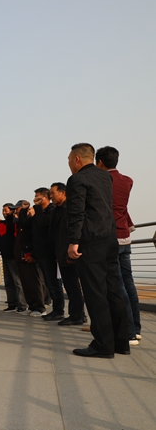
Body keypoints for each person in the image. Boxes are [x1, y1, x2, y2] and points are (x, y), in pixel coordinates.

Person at [67, 143, 129, 358]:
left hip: (91, 242)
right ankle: (121, 342)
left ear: (77, 159)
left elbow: (77, 212)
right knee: (113, 290)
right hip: (110, 239)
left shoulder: (77, 179)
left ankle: (103, 345)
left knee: (95, 293)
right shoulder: (105, 177)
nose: (68, 163)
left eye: (69, 159)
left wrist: (73, 241)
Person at [95, 146, 141, 346]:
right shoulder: (127, 180)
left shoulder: (103, 181)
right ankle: (136, 329)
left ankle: (128, 332)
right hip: (124, 236)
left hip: (109, 237)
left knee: (117, 286)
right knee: (128, 283)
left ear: (100, 162)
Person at [48, 182, 86, 325]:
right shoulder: (56, 210)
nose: (51, 196)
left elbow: (74, 231)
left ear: (63, 193)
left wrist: (72, 252)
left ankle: (78, 315)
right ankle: (76, 314)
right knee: (69, 286)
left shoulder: (70, 208)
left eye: (53, 193)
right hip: (60, 253)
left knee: (73, 286)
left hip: (69, 253)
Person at [31, 187, 63, 320]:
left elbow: (43, 223)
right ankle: (56, 309)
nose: (35, 199)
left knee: (54, 284)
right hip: (40, 253)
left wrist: (37, 208)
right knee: (49, 284)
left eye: (38, 197)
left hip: (50, 253)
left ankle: (59, 310)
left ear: (45, 197)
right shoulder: (39, 212)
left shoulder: (51, 210)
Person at [15, 200, 47, 317]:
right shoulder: (27, 222)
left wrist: (33, 255)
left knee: (34, 283)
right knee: (26, 283)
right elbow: (22, 223)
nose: (17, 211)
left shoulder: (36, 221)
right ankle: (32, 306)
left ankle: (40, 307)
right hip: (22, 256)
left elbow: (37, 240)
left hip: (31, 256)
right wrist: (23, 211)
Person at [0, 203, 27, 313]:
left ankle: (22, 304)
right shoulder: (3, 223)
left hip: (14, 256)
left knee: (17, 281)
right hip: (5, 255)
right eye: (3, 211)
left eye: (6, 210)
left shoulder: (15, 222)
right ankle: (12, 303)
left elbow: (12, 232)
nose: (4, 213)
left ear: (12, 210)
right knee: (8, 281)